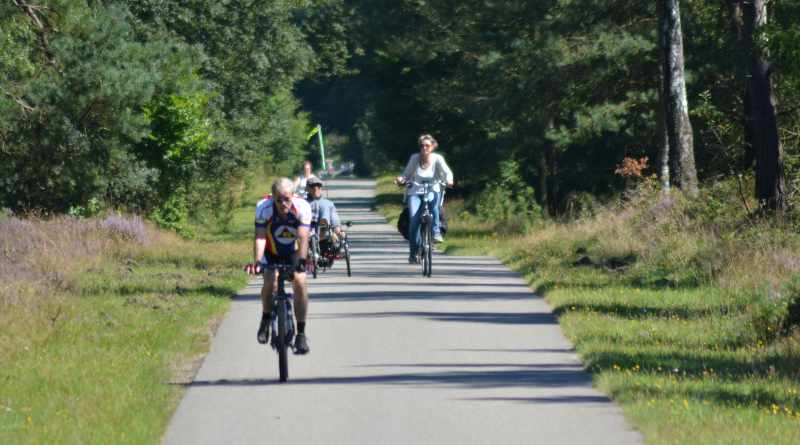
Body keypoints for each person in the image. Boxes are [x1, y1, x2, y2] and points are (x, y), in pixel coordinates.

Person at [245, 177, 312, 354]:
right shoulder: (263, 208)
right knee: (270, 281)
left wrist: (302, 262)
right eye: (279, 200)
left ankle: (301, 334)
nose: (283, 204)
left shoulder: (302, 207)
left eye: (287, 199)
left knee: (300, 282)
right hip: (271, 250)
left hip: (294, 252)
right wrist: (258, 261)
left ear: (293, 196)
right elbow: (260, 237)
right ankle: (266, 318)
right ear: (272, 197)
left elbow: (303, 237)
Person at [394, 134, 454, 263]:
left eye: (427, 145)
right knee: (414, 219)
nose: (424, 148)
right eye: (422, 145)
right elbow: (406, 174)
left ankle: (436, 232)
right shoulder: (415, 158)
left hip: (433, 190)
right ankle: (414, 251)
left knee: (434, 206)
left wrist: (449, 180)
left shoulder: (437, 158)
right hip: (415, 191)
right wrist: (401, 179)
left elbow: (447, 172)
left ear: (432, 147)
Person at [305, 176, 345, 249]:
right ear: (307, 189)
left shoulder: (328, 203)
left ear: (321, 188)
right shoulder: (303, 203)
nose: (316, 188)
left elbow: (334, 220)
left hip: (325, 234)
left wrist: (338, 231)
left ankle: (323, 227)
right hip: (307, 231)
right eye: (313, 186)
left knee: (325, 206)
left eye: (318, 186)